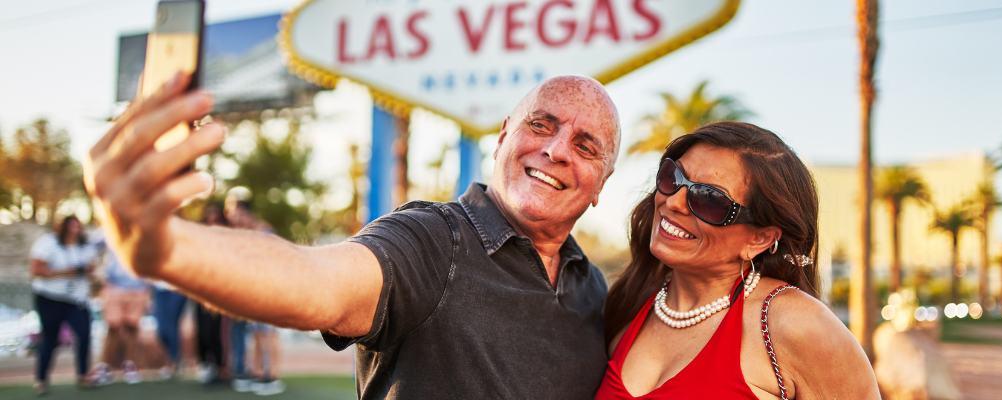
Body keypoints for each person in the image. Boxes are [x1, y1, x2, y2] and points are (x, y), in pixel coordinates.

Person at [82, 72, 619, 399]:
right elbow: (318, 281)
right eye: (541, 125)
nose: (557, 150)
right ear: (504, 136)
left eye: (587, 145)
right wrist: (170, 248)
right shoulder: (434, 240)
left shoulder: (595, 291)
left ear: (601, 185)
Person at [596, 122, 879, 399]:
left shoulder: (796, 324)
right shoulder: (630, 302)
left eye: (710, 199)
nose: (674, 203)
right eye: (673, 177)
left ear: (761, 239)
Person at [29, 216, 98, 394]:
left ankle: (83, 374)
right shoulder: (47, 243)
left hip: (76, 299)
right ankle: (41, 379)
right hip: (50, 298)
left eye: (78, 227)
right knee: (50, 338)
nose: (76, 230)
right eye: (72, 227)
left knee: (84, 335)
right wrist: (67, 272)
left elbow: (92, 267)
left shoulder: (85, 246)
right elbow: (37, 271)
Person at [222, 199, 283, 395]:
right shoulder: (245, 235)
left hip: (269, 289)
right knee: (256, 333)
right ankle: (259, 374)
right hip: (254, 291)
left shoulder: (265, 233)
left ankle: (272, 377)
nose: (235, 219)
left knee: (268, 333)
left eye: (238, 215)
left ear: (247, 214)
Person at [95, 244, 150, 385]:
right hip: (114, 287)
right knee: (113, 328)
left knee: (132, 327)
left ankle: (130, 366)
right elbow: (91, 245)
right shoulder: (110, 229)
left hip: (138, 288)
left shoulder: (143, 230)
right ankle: (105, 367)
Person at [194, 204, 228, 386]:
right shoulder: (199, 240)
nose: (212, 222)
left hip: (219, 294)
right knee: (203, 331)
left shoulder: (226, 241)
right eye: (209, 218)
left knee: (216, 333)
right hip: (201, 294)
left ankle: (219, 367)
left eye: (216, 218)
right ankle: (205, 364)